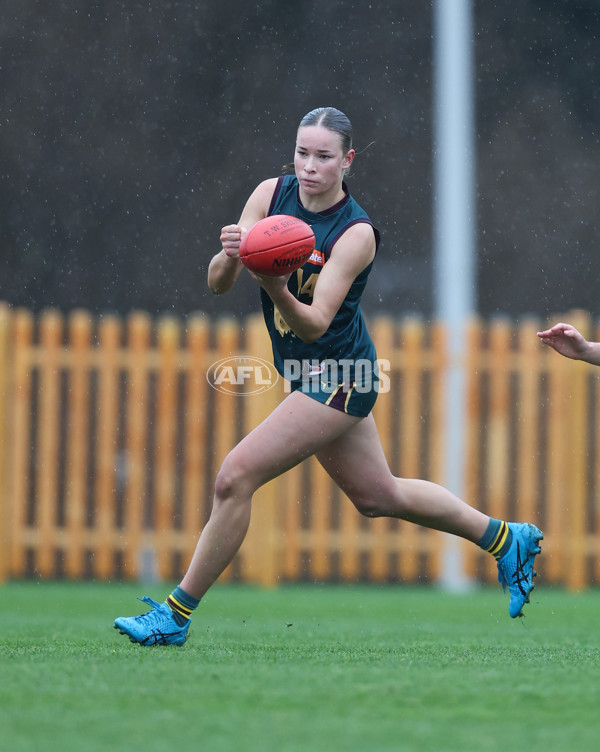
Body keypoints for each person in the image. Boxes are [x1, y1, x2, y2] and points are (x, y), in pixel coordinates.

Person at [114, 107, 543, 646]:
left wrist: (273, 285)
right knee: (377, 496)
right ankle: (507, 539)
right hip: (306, 371)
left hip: (340, 374)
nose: (309, 166)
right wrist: (230, 256)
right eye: (301, 153)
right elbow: (218, 285)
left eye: (322, 156)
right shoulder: (270, 195)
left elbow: (315, 324)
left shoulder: (355, 232)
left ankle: (174, 616)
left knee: (234, 475)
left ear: (347, 160)